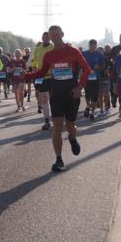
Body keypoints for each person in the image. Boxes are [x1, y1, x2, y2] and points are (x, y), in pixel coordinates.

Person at [25, 26, 90, 173]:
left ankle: (72, 138)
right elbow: (42, 72)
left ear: (62, 34)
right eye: (51, 35)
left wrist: (80, 87)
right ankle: (59, 159)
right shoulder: (49, 55)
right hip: (56, 94)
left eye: (56, 34)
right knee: (57, 127)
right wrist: (27, 76)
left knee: (70, 126)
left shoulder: (73, 51)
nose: (54, 37)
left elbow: (87, 69)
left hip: (72, 94)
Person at [30, 32, 54, 130]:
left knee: (53, 99)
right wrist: (35, 67)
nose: (45, 39)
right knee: (44, 99)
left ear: (50, 38)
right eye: (44, 37)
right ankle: (47, 120)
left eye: (47, 37)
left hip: (52, 77)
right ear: (42, 38)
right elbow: (34, 62)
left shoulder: (53, 48)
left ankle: (57, 117)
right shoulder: (37, 49)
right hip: (42, 78)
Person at [82, 39, 106, 121]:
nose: (92, 47)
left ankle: (92, 113)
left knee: (95, 96)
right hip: (87, 77)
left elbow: (103, 66)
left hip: (96, 78)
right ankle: (88, 106)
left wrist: (99, 67)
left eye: (94, 45)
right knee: (88, 94)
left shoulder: (99, 55)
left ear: (96, 46)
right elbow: (79, 64)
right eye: (91, 45)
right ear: (89, 45)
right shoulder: (84, 54)